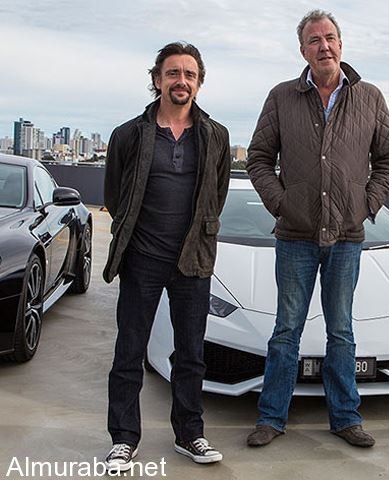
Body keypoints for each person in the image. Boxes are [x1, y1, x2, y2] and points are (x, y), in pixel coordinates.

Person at [245, 9, 389, 448]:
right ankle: (271, 418)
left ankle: (346, 418)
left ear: (341, 44)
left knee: (342, 332)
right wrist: (282, 204)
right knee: (286, 331)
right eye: (314, 40)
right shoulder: (282, 97)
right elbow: (258, 158)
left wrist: (365, 205)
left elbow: (388, 161)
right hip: (295, 236)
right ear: (303, 51)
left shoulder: (369, 97)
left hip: (347, 237)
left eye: (329, 38)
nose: (323, 46)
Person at [102, 42, 230, 472]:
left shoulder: (215, 135)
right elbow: (115, 196)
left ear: (199, 83)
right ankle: (123, 439)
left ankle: (190, 434)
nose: (181, 81)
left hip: (192, 260)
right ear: (157, 79)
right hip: (142, 259)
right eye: (173, 73)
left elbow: (216, 196)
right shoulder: (128, 134)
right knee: (129, 351)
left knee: (191, 353)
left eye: (189, 74)